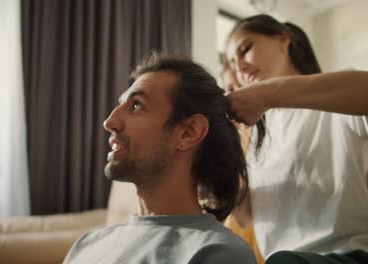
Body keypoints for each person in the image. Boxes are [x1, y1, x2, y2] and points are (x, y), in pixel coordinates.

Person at [224, 14, 368, 264]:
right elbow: (245, 217)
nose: (240, 67)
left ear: (282, 39)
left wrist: (268, 92)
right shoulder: (257, 134)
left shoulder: (332, 99)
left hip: (351, 256)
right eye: (233, 63)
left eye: (245, 50)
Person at [63, 53, 257, 264]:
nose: (110, 122)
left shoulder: (217, 252)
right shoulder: (88, 244)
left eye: (137, 105)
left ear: (188, 132)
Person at [221, 57, 266, 264]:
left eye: (241, 87)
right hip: (233, 232)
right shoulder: (231, 139)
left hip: (260, 237)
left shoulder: (265, 137)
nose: (235, 97)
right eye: (229, 89)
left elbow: (245, 216)